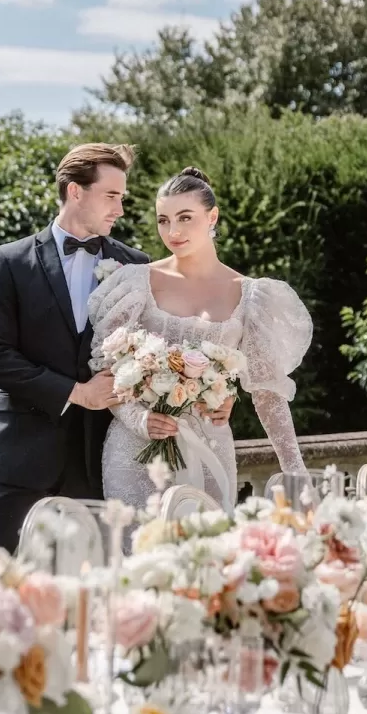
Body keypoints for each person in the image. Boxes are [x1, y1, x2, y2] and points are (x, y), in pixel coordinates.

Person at [88, 166, 312, 511]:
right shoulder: (134, 283)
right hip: (135, 451)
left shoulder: (252, 296)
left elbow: (267, 393)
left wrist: (295, 470)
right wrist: (140, 420)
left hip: (211, 449)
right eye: (163, 220)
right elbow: (106, 372)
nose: (173, 231)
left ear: (213, 217)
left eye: (185, 218)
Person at [0, 142, 149, 562]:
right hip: (18, 462)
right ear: (75, 191)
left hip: (98, 467)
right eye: (111, 196)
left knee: (86, 605)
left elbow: (153, 353)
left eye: (122, 198)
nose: (120, 209)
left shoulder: (136, 266)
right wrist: (76, 392)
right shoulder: (10, 262)